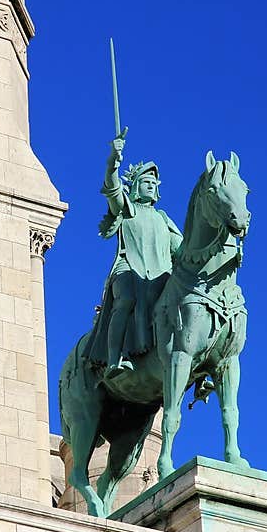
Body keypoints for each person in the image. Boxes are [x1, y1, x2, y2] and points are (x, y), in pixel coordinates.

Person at [84, 128, 183, 379]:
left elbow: (181, 250)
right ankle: (115, 358)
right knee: (126, 298)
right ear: (136, 186)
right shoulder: (129, 210)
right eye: (145, 183)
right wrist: (113, 161)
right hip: (129, 268)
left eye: (153, 184)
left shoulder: (163, 219)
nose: (150, 187)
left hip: (159, 275)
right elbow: (113, 189)